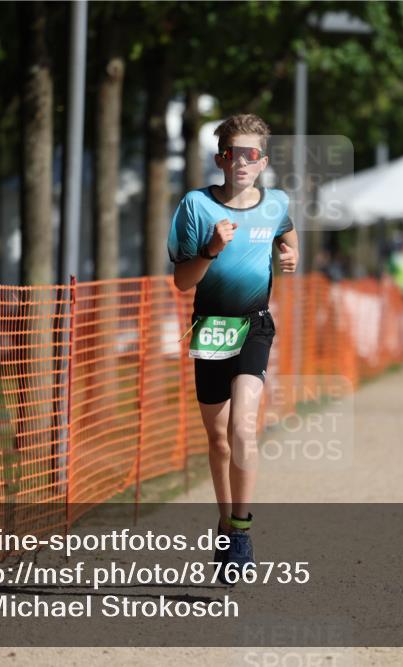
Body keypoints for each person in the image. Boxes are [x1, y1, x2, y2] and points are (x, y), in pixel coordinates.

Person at [167, 114, 298, 583]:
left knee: (244, 428)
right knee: (219, 439)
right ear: (219, 157)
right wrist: (210, 251)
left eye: (250, 155)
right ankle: (225, 526)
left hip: (255, 325)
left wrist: (291, 252)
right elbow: (182, 283)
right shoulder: (196, 206)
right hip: (210, 328)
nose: (240, 162)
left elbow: (285, 229)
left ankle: (240, 532)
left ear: (262, 162)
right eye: (231, 153)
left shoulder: (276, 202)